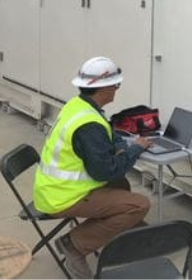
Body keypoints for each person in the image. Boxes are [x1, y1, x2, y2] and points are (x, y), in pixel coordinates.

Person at [33, 56, 153, 278]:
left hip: (51, 188)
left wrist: (122, 145)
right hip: (62, 197)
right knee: (139, 204)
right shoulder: (88, 124)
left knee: (120, 184)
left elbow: (108, 135)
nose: (116, 90)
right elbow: (105, 171)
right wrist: (135, 149)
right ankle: (74, 244)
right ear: (105, 88)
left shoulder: (79, 106)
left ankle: (128, 231)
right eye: (116, 85)